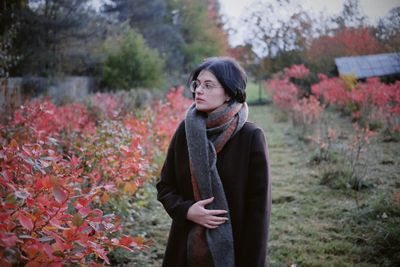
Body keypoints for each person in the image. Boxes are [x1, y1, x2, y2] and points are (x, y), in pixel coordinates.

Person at [156, 57, 271, 267]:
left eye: (208, 85)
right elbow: (165, 186)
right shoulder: (185, 131)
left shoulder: (250, 136)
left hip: (236, 249)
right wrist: (187, 210)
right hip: (185, 249)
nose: (199, 90)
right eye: (197, 84)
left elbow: (258, 213)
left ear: (229, 93)